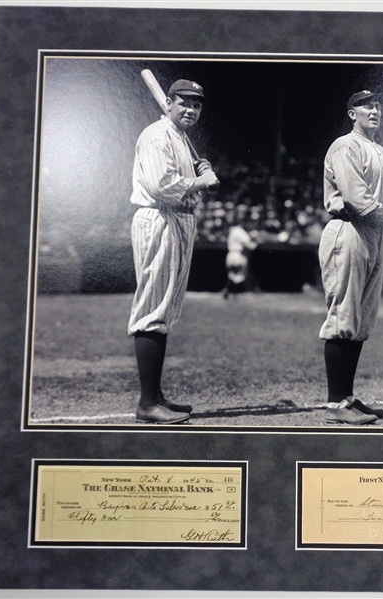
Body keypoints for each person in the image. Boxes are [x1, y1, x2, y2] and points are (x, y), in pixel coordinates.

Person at [318, 89, 383, 426]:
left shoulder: (380, 151)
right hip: (349, 230)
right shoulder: (346, 145)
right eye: (365, 105)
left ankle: (348, 398)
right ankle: (334, 404)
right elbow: (357, 199)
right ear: (351, 113)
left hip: (373, 234)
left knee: (360, 321)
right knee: (344, 315)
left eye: (376, 105)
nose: (373, 110)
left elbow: (378, 199)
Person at [128, 79, 219, 424]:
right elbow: (161, 186)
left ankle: (157, 396)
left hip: (180, 220)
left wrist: (200, 169)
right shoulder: (156, 135)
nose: (191, 110)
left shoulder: (179, 138)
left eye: (197, 105)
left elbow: (181, 181)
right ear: (168, 102)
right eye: (184, 103)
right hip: (160, 218)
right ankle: (147, 404)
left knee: (165, 310)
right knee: (153, 308)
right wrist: (200, 180)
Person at [223, 222, 257, 299]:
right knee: (238, 275)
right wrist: (255, 242)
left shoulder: (232, 230)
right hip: (238, 254)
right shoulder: (241, 232)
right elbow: (249, 246)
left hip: (230, 254)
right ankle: (234, 293)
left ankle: (228, 290)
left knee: (232, 274)